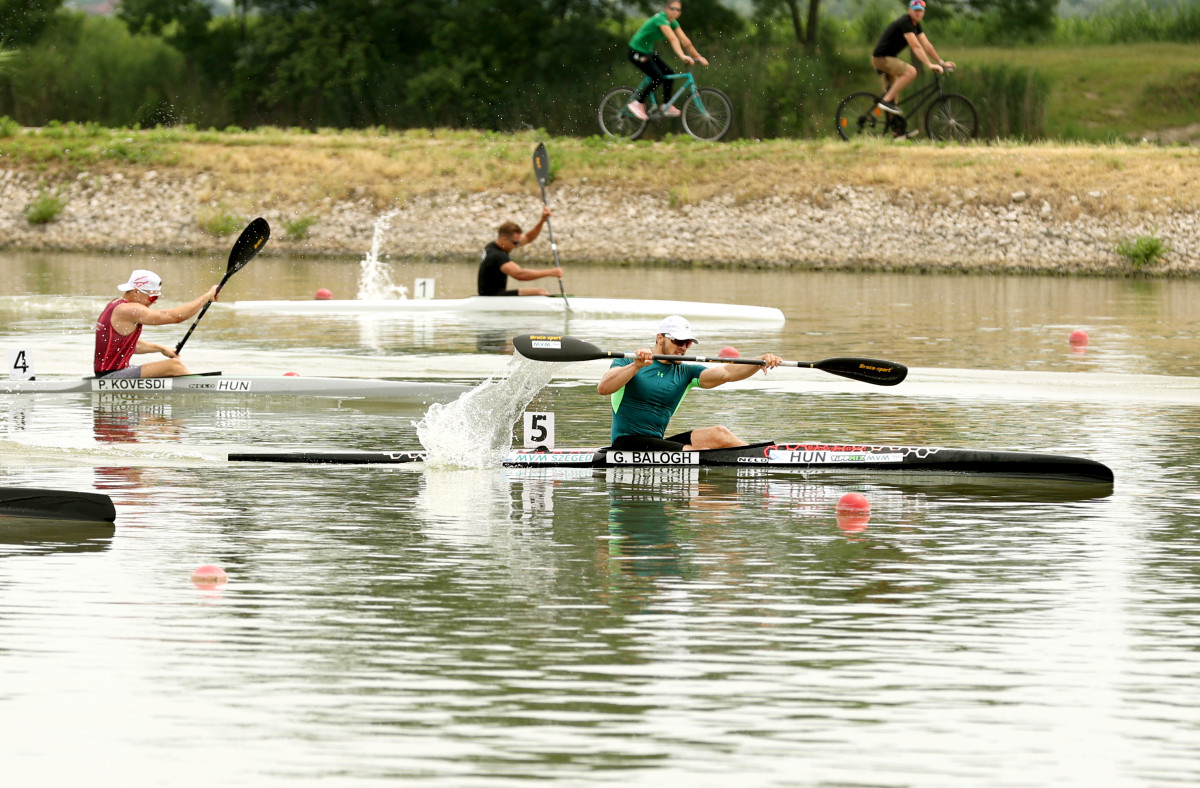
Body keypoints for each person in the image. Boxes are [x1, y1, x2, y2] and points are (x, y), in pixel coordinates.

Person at [597, 315, 781, 451]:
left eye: (688, 343)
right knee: (692, 453)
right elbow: (604, 388)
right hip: (626, 443)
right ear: (660, 338)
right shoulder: (629, 361)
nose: (683, 348)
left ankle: (761, 457)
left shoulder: (686, 372)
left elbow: (727, 372)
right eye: (678, 341)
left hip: (656, 443)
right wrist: (636, 366)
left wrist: (760, 361)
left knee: (720, 433)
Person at [94, 269, 219, 378]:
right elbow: (176, 317)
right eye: (152, 298)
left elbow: (131, 345)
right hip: (111, 376)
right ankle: (200, 390)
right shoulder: (129, 309)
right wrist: (207, 296)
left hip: (113, 373)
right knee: (174, 366)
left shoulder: (116, 305)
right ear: (136, 292)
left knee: (171, 368)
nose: (154, 302)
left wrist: (161, 349)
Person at [871, 0, 955, 130]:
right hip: (881, 58)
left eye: (920, 11)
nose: (918, 13)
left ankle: (897, 132)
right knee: (911, 71)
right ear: (909, 10)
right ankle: (885, 101)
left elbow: (926, 45)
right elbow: (916, 46)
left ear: (923, 13)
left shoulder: (916, 25)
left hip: (888, 58)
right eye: (915, 10)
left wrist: (941, 62)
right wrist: (929, 64)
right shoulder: (905, 22)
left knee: (894, 100)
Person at [625, 1, 709, 122]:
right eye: (672, 8)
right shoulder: (661, 19)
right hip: (636, 52)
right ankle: (637, 103)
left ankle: (666, 105)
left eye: (678, 10)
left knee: (669, 74)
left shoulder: (673, 22)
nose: (675, 12)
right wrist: (682, 56)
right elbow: (673, 38)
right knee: (658, 77)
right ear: (666, 8)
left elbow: (685, 41)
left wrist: (698, 57)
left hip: (647, 51)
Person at [477, 207, 563, 296]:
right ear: (504, 239)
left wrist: (542, 221)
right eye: (516, 243)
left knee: (539, 292)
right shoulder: (497, 255)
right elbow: (520, 275)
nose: (517, 245)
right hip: (492, 296)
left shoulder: (492, 245)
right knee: (540, 292)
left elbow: (528, 238)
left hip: (492, 295)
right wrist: (550, 272)